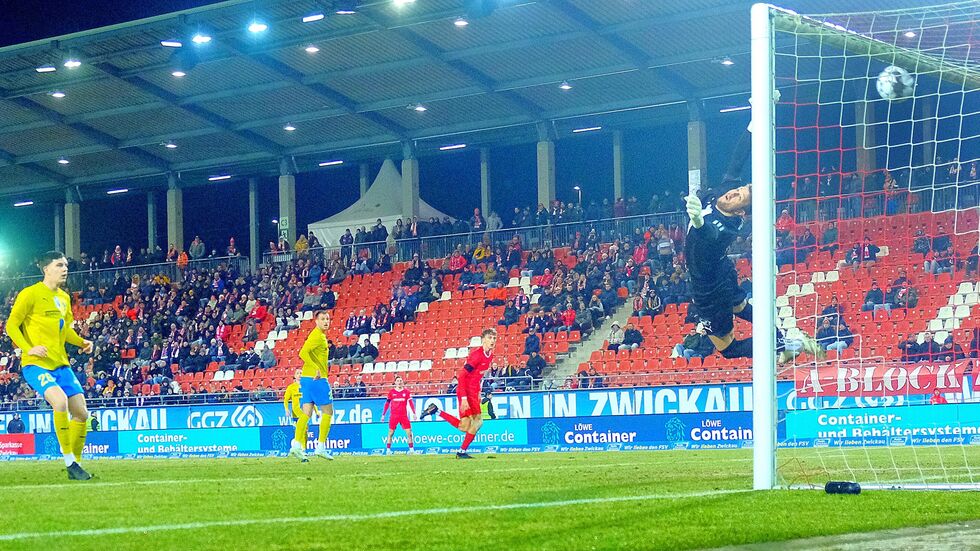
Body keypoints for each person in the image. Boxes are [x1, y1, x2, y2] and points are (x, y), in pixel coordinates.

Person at [685, 186, 820, 360]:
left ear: (740, 211)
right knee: (740, 307)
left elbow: (709, 234)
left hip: (709, 290)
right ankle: (779, 338)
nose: (732, 193)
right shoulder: (720, 202)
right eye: (737, 189)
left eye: (739, 196)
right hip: (722, 272)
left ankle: (783, 344)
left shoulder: (725, 228)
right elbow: (733, 169)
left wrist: (697, 221)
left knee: (729, 350)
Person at [5, 251, 95, 480]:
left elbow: (65, 331)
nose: (64, 269)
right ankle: (69, 462)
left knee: (82, 414)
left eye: (65, 265)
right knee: (60, 401)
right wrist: (29, 348)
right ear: (46, 269)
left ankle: (75, 465)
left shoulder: (64, 298)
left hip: (61, 364)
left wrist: (82, 342)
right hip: (36, 364)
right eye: (59, 265)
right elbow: (11, 326)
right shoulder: (30, 294)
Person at [421, 328, 497, 459]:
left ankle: (436, 411)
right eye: (490, 338)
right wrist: (464, 398)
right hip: (466, 390)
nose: (493, 341)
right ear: (483, 340)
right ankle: (461, 452)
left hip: (473, 391)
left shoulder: (490, 355)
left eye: (494, 338)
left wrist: (478, 391)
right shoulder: (476, 355)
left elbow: (478, 375)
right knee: (478, 422)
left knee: (464, 426)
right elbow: (462, 376)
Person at [289, 310, 334, 461]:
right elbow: (302, 353)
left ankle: (296, 445)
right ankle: (320, 446)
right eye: (323, 319)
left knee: (306, 414)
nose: (326, 321)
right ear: (316, 321)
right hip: (317, 380)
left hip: (306, 381)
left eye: (327, 318)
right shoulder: (318, 336)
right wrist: (316, 367)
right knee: (328, 412)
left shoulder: (318, 335)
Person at [381, 376, 416, 455]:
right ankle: (388, 450)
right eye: (398, 381)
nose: (399, 382)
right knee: (391, 433)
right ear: (395, 382)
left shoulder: (406, 392)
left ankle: (411, 450)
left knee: (409, 433)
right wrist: (383, 414)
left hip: (403, 416)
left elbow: (411, 403)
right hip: (394, 416)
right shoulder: (391, 392)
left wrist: (414, 413)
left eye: (401, 380)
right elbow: (387, 404)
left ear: (402, 382)